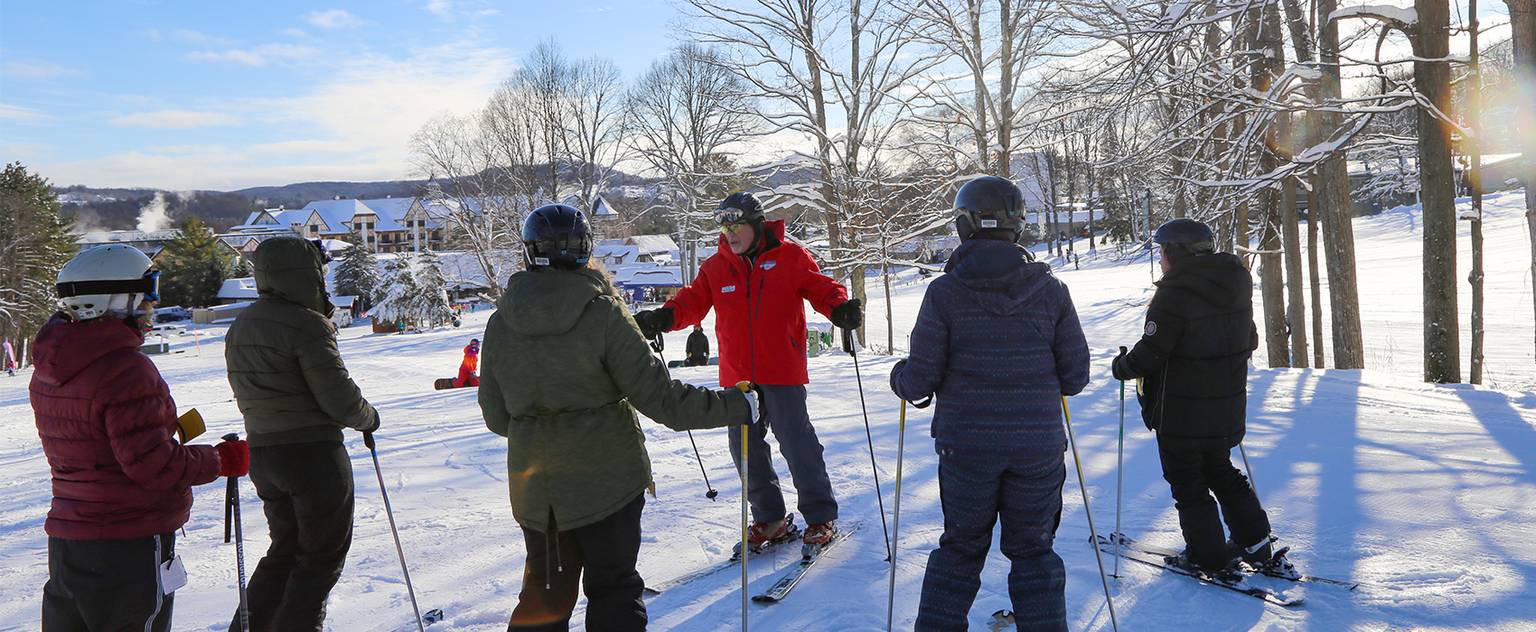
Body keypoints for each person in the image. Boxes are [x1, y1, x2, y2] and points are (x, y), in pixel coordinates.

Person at [479, 203, 756, 631]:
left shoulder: (502, 322)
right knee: (613, 590)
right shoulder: (602, 314)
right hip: (606, 482)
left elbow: (497, 416)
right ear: (584, 250)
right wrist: (736, 406)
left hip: (538, 493)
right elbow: (662, 399)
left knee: (544, 597)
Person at [889, 176, 1089, 631]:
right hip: (1036, 447)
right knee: (1034, 550)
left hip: (967, 448)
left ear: (965, 226)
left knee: (961, 547)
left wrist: (899, 377)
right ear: (1016, 227)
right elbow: (1075, 377)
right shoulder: (1051, 290)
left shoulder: (944, 293)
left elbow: (920, 379)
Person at [34, 244, 247, 632]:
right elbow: (155, 468)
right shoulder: (127, 368)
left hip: (69, 541)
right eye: (146, 296)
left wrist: (167, 430)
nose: (152, 307)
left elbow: (92, 442)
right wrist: (219, 459)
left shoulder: (52, 366)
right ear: (112, 301)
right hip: (128, 543)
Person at [632, 191, 862, 548]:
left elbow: (821, 288)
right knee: (745, 449)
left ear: (756, 224)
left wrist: (839, 308)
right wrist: (664, 317)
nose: (730, 234)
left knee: (797, 443)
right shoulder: (716, 267)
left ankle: (820, 517)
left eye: (737, 225)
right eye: (725, 227)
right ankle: (770, 519)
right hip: (738, 374)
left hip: (781, 368)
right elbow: (692, 301)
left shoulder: (790, 256)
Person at [225, 236, 380, 631]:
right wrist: (368, 418)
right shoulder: (306, 324)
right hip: (312, 454)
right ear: (309, 274)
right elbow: (338, 397)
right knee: (319, 558)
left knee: (285, 550)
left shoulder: (242, 323)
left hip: (264, 453)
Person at [1111, 218, 1272, 575]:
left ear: (1175, 252)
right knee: (1220, 470)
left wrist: (1122, 366)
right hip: (1225, 407)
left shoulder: (1175, 291)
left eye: (1162, 252)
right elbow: (1250, 339)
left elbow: (1153, 351)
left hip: (1180, 412)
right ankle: (1257, 542)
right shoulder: (1234, 282)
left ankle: (1209, 555)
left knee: (1188, 483)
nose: (1161, 261)